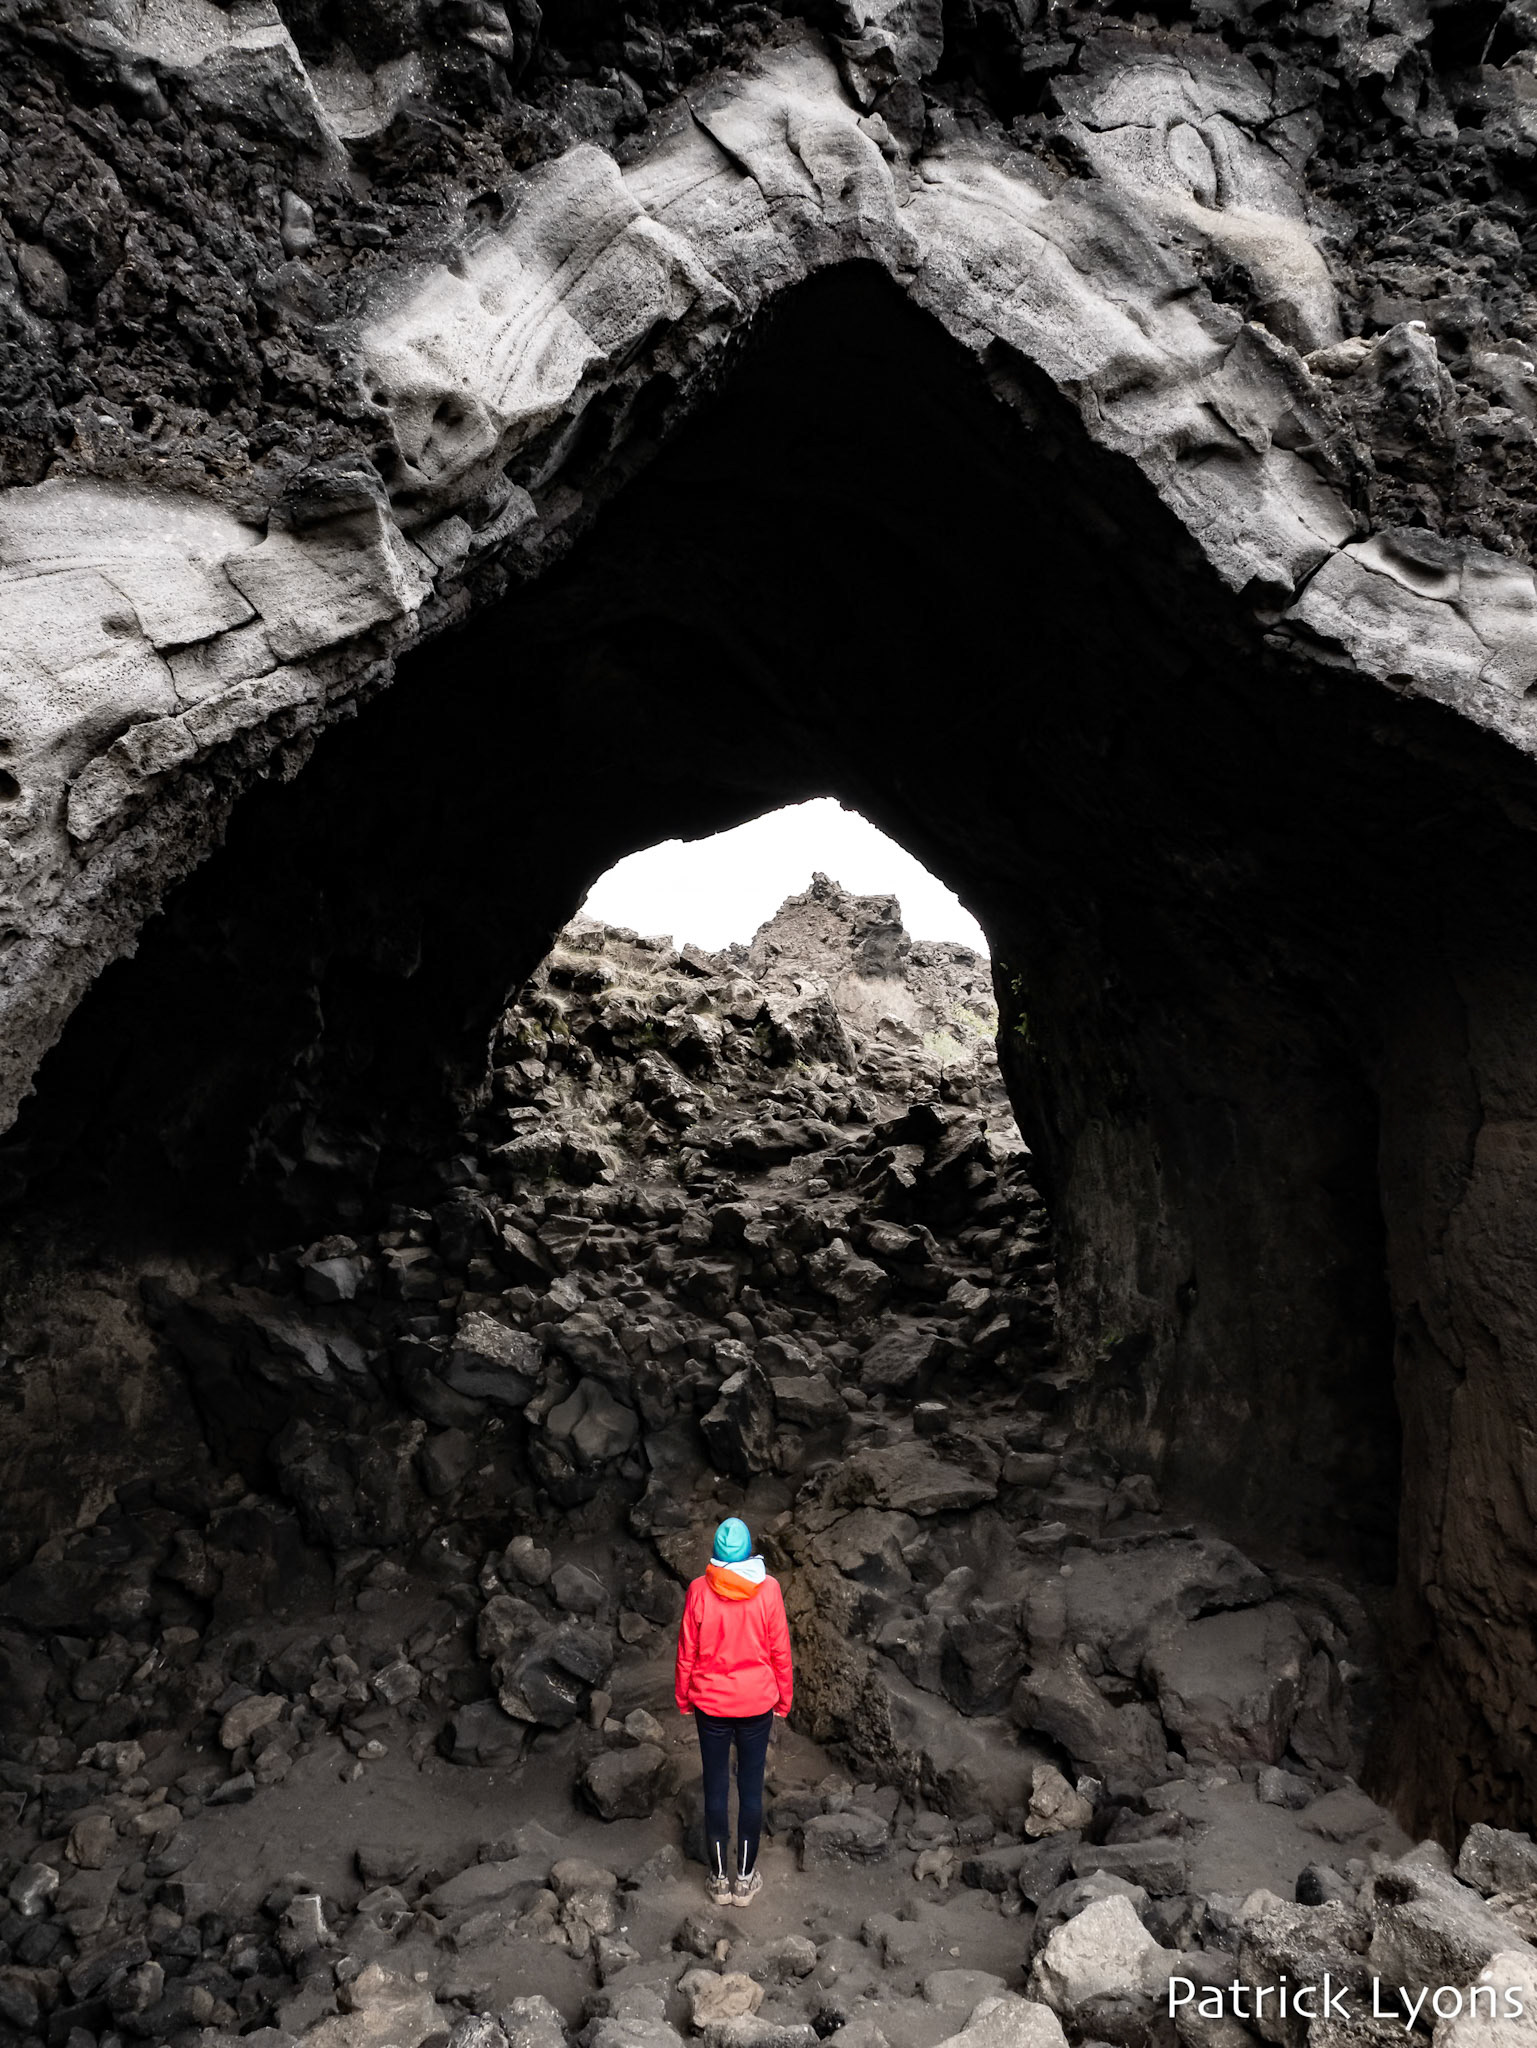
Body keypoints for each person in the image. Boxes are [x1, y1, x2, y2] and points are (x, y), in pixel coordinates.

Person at [674, 1516, 794, 1908]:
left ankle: (718, 1880)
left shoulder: (698, 1589)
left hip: (710, 1705)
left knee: (716, 1786)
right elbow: (780, 1651)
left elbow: (687, 1651)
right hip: (757, 1705)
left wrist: (684, 1696)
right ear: (748, 1552)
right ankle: (744, 1880)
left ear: (716, 1552)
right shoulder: (769, 1589)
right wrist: (784, 1699)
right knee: (751, 1789)